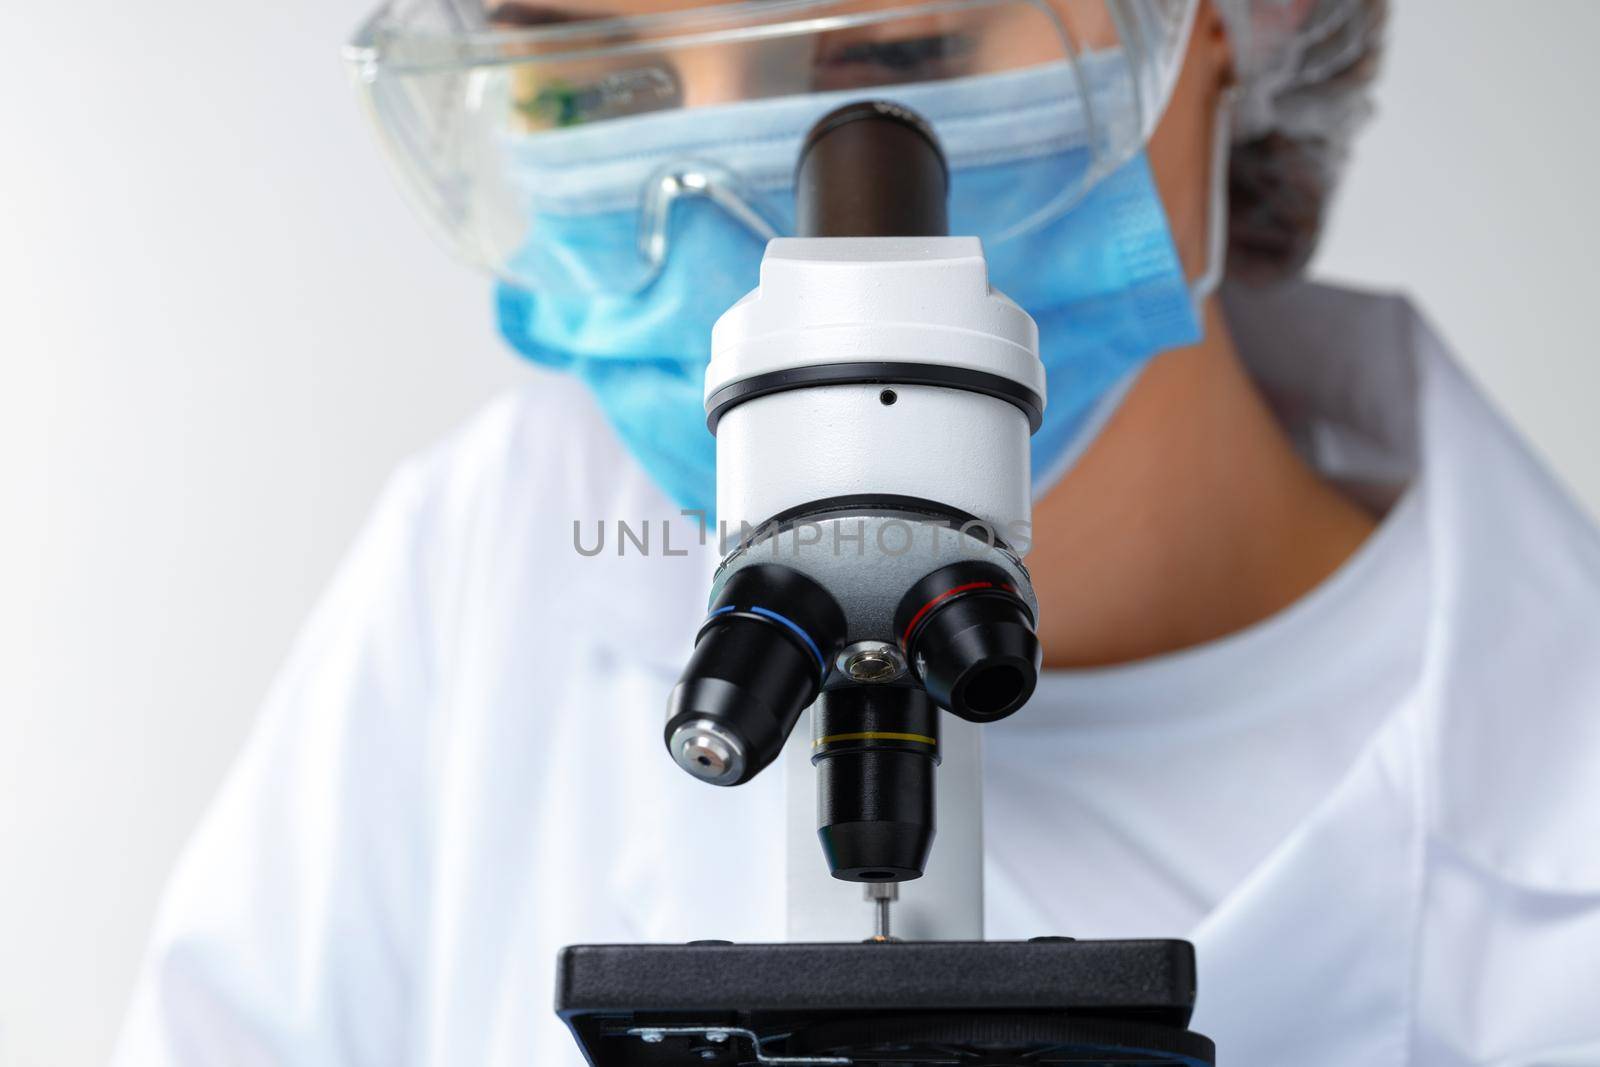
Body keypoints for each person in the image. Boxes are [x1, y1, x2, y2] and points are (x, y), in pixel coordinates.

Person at [115, 0, 1600, 1063]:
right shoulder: (497, 551)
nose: (724, 214)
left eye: (899, 55)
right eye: (589, 87)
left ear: (1230, 25)